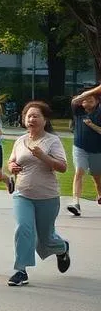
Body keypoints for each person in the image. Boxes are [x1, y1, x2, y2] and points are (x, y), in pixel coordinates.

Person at [8, 101, 70, 286]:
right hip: (22, 194)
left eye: (36, 116)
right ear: (24, 119)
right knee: (23, 228)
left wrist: (43, 156)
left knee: (44, 240)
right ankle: (21, 270)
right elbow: (11, 161)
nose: (31, 119)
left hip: (47, 197)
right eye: (28, 116)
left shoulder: (52, 141)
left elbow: (63, 167)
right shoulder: (20, 140)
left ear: (45, 120)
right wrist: (11, 166)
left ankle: (62, 248)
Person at [67, 82, 101, 216]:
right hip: (80, 148)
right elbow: (75, 100)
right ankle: (76, 203)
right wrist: (94, 90)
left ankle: (99, 195)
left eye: (91, 98)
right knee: (79, 171)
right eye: (84, 99)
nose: (86, 100)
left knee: (98, 178)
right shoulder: (78, 110)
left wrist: (92, 125)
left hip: (97, 150)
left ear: (97, 101)